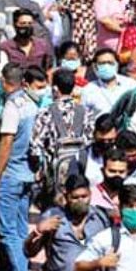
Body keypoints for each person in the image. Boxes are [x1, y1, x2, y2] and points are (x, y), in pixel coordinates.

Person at [0, 67, 49, 271]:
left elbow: (6, 141)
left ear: (5, 82)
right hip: (28, 176)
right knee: (20, 229)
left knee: (8, 232)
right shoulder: (36, 105)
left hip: (11, 175)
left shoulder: (14, 106)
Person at [32, 68, 90, 206]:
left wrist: (40, 169)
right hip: (80, 166)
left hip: (54, 171)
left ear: (55, 89)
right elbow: (90, 138)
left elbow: (35, 145)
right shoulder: (84, 111)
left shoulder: (46, 112)